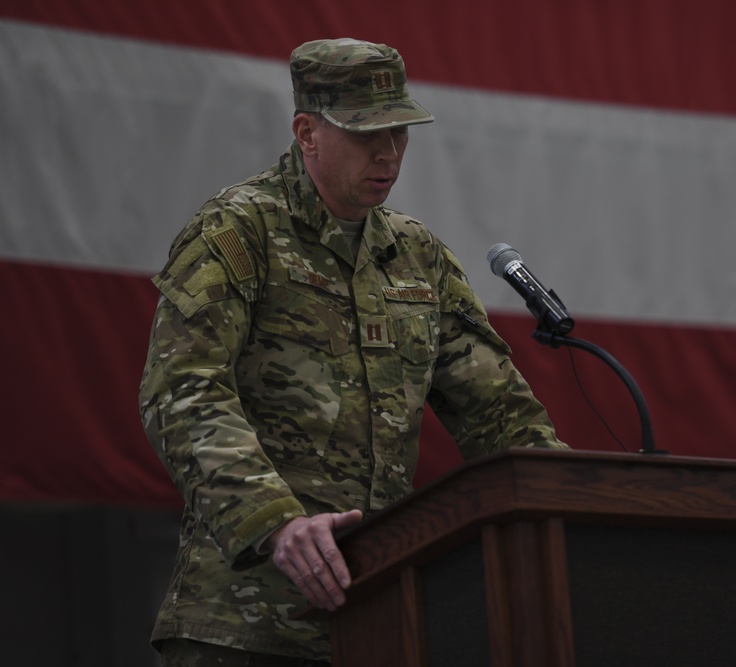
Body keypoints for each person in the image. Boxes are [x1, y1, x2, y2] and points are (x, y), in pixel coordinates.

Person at [138, 37, 568, 666]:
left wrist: (576, 508)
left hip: (382, 620)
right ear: (306, 132)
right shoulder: (237, 231)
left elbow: (501, 416)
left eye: (400, 132)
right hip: (246, 625)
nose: (389, 153)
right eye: (369, 133)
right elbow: (181, 392)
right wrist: (275, 523)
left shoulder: (419, 257)